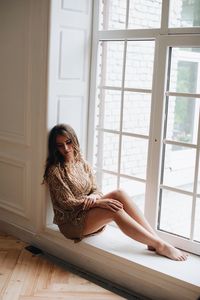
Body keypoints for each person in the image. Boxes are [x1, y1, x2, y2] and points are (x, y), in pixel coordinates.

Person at [43, 124, 188, 261]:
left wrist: (94, 197)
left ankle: (154, 239)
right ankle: (160, 246)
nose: (66, 148)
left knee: (119, 193)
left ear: (74, 140)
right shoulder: (55, 171)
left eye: (68, 142)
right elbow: (66, 202)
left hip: (88, 213)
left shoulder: (82, 163)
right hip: (71, 222)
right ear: (55, 148)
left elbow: (96, 189)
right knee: (114, 210)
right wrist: (99, 202)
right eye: (60, 145)